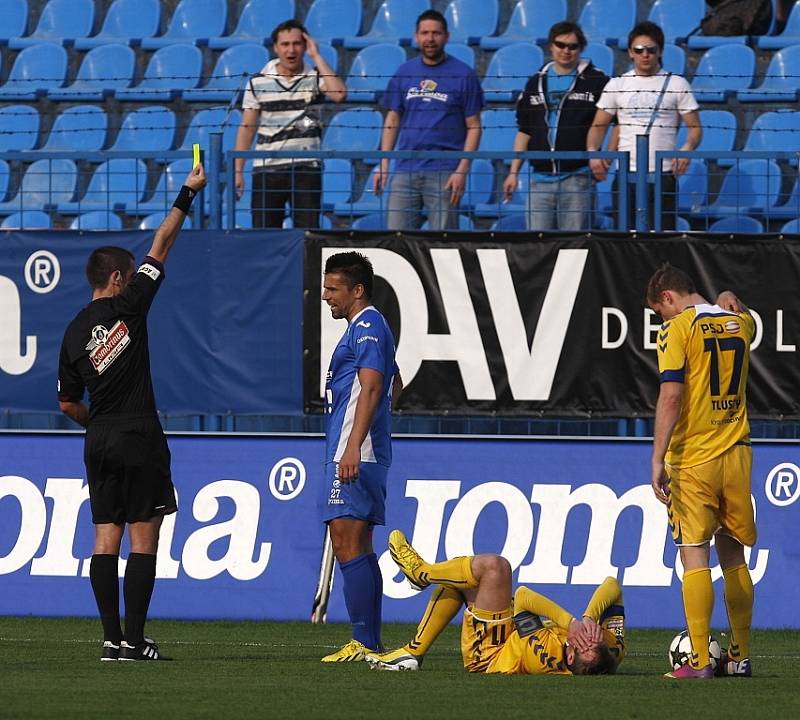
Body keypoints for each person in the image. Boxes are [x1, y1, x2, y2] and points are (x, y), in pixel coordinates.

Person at [57, 165, 207, 662]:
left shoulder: (75, 331)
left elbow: (66, 402)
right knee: (144, 538)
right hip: (139, 434)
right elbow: (160, 245)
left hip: (98, 439)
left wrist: (95, 422)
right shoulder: (132, 305)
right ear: (119, 278)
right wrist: (188, 191)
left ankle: (108, 639)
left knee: (105, 537)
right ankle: (136, 641)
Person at [646, 263, 756, 679]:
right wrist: (730, 292)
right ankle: (740, 656)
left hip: (693, 458)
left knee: (694, 556)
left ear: (669, 297)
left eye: (660, 311)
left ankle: (700, 662)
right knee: (734, 554)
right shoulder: (736, 321)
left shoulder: (676, 330)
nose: (662, 319)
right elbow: (741, 311)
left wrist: (657, 459)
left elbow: (671, 396)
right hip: (737, 452)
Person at [366, 530, 625, 675]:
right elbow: (613, 585)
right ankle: (412, 653)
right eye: (595, 640)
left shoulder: (545, 656)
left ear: (570, 655)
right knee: (463, 574)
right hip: (506, 634)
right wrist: (590, 618)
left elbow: (523, 597)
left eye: (584, 643)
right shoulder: (612, 649)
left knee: (495, 568)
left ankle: (421, 573)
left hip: (489, 653)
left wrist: (571, 622)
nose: (590, 636)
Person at [319, 252, 403, 662]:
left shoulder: (367, 324)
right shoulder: (368, 327)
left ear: (357, 291)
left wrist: (354, 444)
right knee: (358, 543)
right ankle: (369, 642)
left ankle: (364, 641)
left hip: (356, 451)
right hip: (362, 447)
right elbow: (394, 382)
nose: (325, 296)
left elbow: (373, 387)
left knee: (346, 539)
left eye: (333, 289)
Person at [586, 21, 702, 231]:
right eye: (639, 50)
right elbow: (598, 125)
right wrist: (593, 152)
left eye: (651, 49)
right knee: (625, 237)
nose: (645, 55)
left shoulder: (677, 84)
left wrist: (686, 149)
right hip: (626, 173)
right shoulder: (617, 84)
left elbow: (694, 127)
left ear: (660, 51)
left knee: (662, 236)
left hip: (663, 173)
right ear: (630, 52)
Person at [375, 9, 483, 230]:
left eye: (436, 33)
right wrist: (384, 163)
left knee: (443, 244)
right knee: (398, 239)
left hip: (445, 171)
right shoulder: (404, 72)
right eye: (424, 33)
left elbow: (474, 126)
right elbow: (392, 119)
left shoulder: (464, 75)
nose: (430, 39)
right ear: (416, 36)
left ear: (447, 36)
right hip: (405, 168)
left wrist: (461, 170)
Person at [233, 19, 346, 229]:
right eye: (285, 44)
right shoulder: (257, 81)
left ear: (305, 46)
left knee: (307, 235)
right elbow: (247, 127)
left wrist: (316, 55)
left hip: (306, 167)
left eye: (297, 44)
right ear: (275, 47)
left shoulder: (316, 78)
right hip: (267, 168)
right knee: (264, 235)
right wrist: (238, 171)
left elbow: (339, 93)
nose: (291, 50)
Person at [502, 21, 609, 231]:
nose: (566, 51)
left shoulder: (597, 80)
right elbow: (524, 130)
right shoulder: (535, 82)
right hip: (539, 181)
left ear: (581, 48)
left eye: (573, 46)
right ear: (551, 46)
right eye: (560, 45)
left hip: (577, 179)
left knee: (575, 248)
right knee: (539, 247)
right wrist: (513, 172)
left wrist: (606, 157)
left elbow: (617, 120)